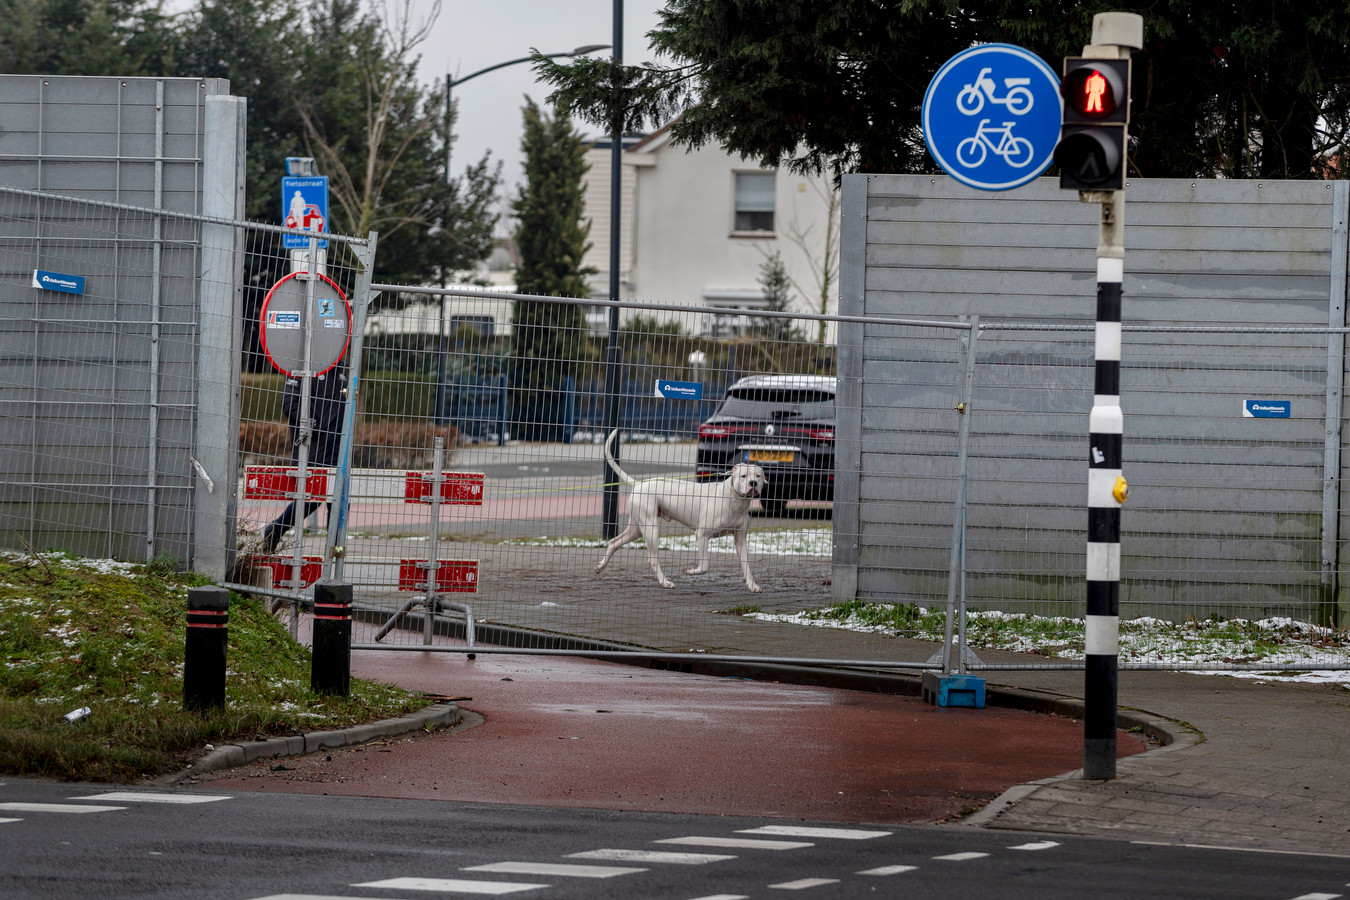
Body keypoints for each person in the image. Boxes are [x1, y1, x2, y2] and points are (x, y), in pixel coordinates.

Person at [262, 364, 348, 552]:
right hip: (312, 447)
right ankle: (275, 529)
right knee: (311, 498)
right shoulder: (303, 365)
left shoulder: (342, 369)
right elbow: (289, 404)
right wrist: (315, 427)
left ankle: (334, 549)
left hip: (338, 446)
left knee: (340, 497)